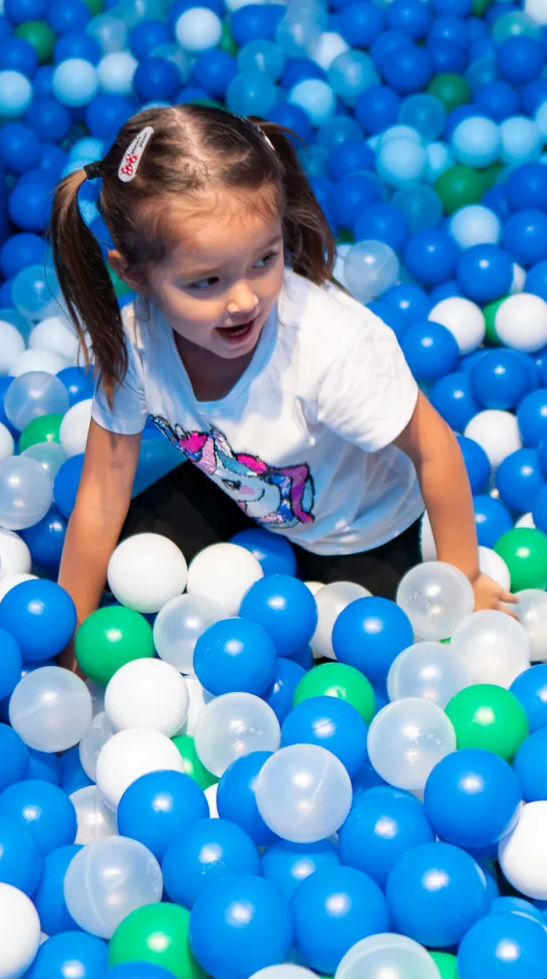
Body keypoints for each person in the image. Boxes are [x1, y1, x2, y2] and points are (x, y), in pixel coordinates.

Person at [49, 103, 513, 625]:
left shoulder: (329, 348)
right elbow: (102, 491)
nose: (244, 299)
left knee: (346, 648)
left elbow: (435, 448)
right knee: (130, 566)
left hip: (360, 527)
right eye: (207, 281)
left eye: (264, 260)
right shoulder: (135, 341)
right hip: (237, 485)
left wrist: (464, 577)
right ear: (133, 275)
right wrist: (70, 633)